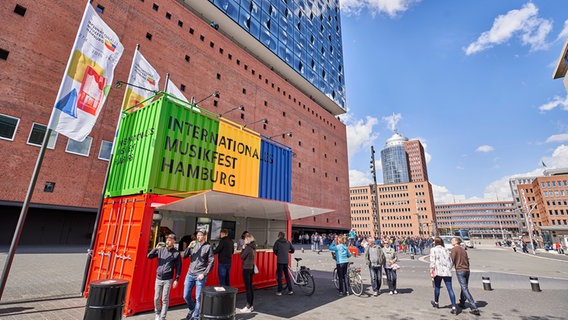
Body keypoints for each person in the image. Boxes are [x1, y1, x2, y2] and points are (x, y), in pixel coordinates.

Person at [147, 234, 181, 320]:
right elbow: (149, 256)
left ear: (174, 241)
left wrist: (176, 279)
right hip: (158, 278)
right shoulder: (161, 250)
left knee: (165, 299)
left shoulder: (176, 253)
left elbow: (178, 267)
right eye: (167, 240)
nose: (168, 241)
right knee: (156, 298)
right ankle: (157, 313)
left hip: (168, 279)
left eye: (170, 240)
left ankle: (162, 317)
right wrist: (155, 248)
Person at [182, 229, 214, 320]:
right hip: (190, 274)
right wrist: (189, 247)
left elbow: (211, 262)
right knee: (186, 296)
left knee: (198, 298)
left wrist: (204, 274)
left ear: (204, 236)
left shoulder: (208, 247)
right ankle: (192, 308)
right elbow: (184, 256)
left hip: (200, 275)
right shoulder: (193, 245)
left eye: (200, 235)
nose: (198, 236)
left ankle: (196, 317)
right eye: (198, 235)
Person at [451, 237, 480, 316]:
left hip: (460, 270)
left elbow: (451, 260)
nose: (451, 241)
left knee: (464, 288)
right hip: (467, 270)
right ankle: (462, 302)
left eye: (452, 240)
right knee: (464, 287)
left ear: (456, 242)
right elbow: (467, 260)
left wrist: (448, 269)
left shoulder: (454, 249)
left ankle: (473, 307)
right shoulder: (463, 249)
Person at [430, 237, 457, 314]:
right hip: (447, 272)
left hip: (438, 271)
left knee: (437, 288)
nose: (433, 243)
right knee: (450, 289)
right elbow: (450, 261)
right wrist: (448, 268)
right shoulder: (446, 250)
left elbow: (432, 261)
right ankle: (454, 306)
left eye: (434, 241)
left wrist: (431, 270)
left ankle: (436, 303)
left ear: (436, 242)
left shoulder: (433, 250)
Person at [273, 231, 295, 295]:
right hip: (286, 261)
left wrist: (279, 254)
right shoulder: (288, 242)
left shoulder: (277, 242)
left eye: (278, 235)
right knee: (287, 275)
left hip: (280, 261)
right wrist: (287, 252)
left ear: (280, 235)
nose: (277, 236)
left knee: (279, 276)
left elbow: (274, 250)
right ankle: (290, 290)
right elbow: (293, 250)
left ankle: (279, 291)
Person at [240, 232, 257, 313]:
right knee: (250, 287)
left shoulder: (248, 248)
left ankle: (248, 306)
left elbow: (242, 256)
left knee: (248, 288)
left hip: (246, 268)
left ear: (248, 239)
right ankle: (251, 305)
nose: (244, 241)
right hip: (251, 268)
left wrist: (243, 248)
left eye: (245, 239)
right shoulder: (253, 247)